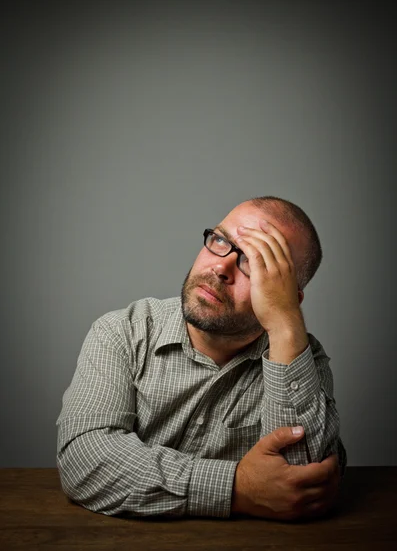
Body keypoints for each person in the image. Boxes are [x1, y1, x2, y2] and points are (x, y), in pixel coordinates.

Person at [56, 195, 346, 521]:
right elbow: (85, 460)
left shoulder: (301, 358)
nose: (220, 267)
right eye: (220, 240)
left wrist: (284, 326)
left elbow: (299, 488)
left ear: (288, 297)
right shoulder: (122, 332)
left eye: (256, 261)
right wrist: (238, 488)